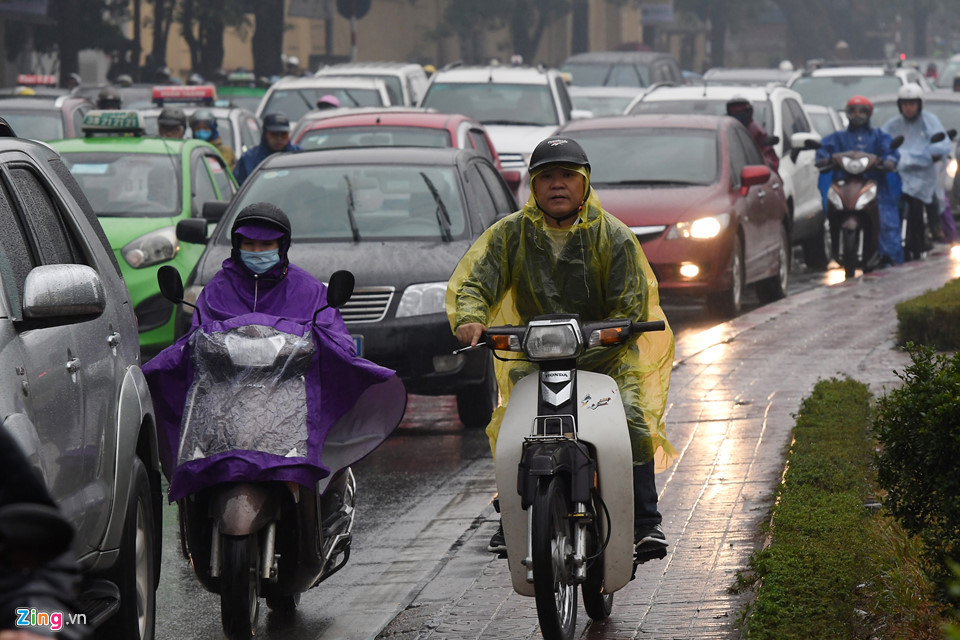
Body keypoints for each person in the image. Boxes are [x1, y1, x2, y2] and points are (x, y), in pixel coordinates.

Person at [446, 136, 676, 555]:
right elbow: (476, 282)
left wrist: (611, 334)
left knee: (630, 418)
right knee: (514, 429)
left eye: (567, 175)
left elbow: (630, 303)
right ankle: (513, 516)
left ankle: (646, 520)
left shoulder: (615, 237)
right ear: (532, 185)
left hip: (605, 362)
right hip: (535, 360)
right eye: (546, 176)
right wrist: (470, 317)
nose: (557, 185)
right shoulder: (509, 235)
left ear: (585, 182)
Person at [143, 202, 406, 502]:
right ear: (237, 245)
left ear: (282, 246)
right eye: (249, 243)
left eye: (266, 244)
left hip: (291, 404)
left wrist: (331, 347)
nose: (257, 251)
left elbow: (334, 333)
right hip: (224, 407)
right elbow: (196, 339)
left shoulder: (309, 290)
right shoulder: (216, 289)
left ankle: (322, 509)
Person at [816, 95, 901, 267]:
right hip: (844, 185)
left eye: (862, 111)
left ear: (869, 114)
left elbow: (890, 150)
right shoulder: (838, 137)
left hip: (876, 187)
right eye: (853, 111)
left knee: (886, 220)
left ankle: (887, 257)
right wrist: (823, 158)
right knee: (826, 215)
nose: (858, 115)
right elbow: (823, 149)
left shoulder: (878, 136)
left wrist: (889, 160)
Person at [881, 83, 952, 261]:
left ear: (920, 104)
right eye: (905, 103)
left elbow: (942, 142)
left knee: (921, 204)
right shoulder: (893, 125)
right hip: (898, 173)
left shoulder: (930, 121)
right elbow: (882, 141)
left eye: (912, 103)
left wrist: (934, 152)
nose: (909, 107)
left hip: (922, 176)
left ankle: (929, 232)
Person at [233, 112, 301, 186]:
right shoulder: (248, 159)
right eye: (274, 134)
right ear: (265, 135)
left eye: (283, 134)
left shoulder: (299, 155)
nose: (279, 138)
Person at [726, 96, 779, 173]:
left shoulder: (755, 131)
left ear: (749, 112)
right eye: (734, 113)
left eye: (741, 113)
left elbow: (772, 164)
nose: (738, 117)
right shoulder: (724, 130)